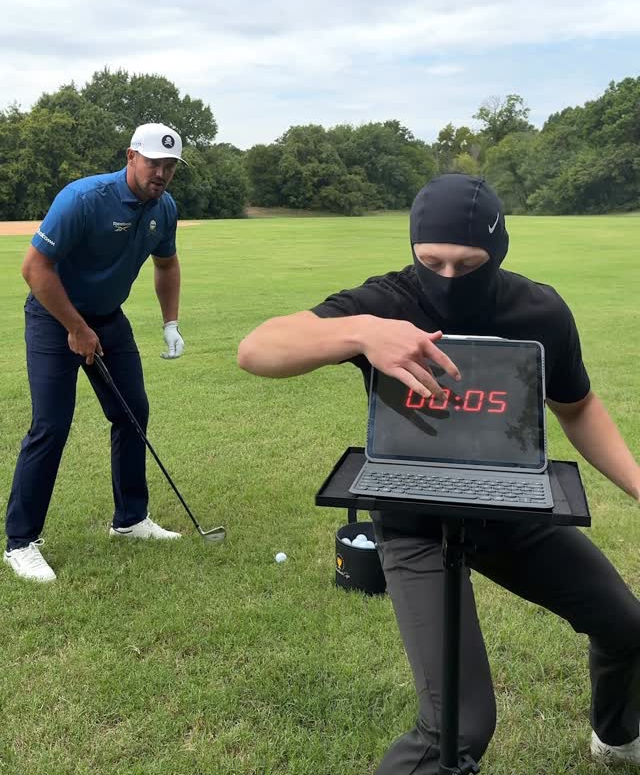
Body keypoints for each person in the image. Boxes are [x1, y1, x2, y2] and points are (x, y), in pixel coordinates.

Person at [237, 173, 640, 772]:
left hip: (509, 509)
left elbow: (577, 407)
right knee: (458, 726)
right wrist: (362, 332)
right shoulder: (386, 302)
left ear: (497, 251)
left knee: (627, 627)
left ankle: (617, 737)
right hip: (415, 521)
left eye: (468, 264)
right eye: (431, 262)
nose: (448, 277)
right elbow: (257, 349)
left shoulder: (539, 311)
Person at [4, 123, 189, 584]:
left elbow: (167, 264)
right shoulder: (84, 199)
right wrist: (76, 328)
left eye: (170, 166)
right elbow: (35, 268)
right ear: (131, 156)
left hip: (107, 318)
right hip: (53, 318)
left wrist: (170, 323)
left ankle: (130, 519)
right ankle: (20, 543)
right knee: (51, 425)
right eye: (154, 163)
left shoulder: (164, 208)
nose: (161, 173)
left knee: (132, 413)